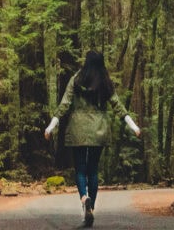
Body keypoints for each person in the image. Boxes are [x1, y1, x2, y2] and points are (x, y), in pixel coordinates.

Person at [44, 50, 141, 227]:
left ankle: (84, 199)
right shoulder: (105, 82)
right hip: (99, 129)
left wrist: (51, 125)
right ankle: (91, 209)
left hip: (78, 129)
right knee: (93, 170)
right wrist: (133, 126)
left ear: (86, 63)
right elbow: (117, 105)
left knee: (80, 169)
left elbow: (65, 103)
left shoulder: (76, 79)